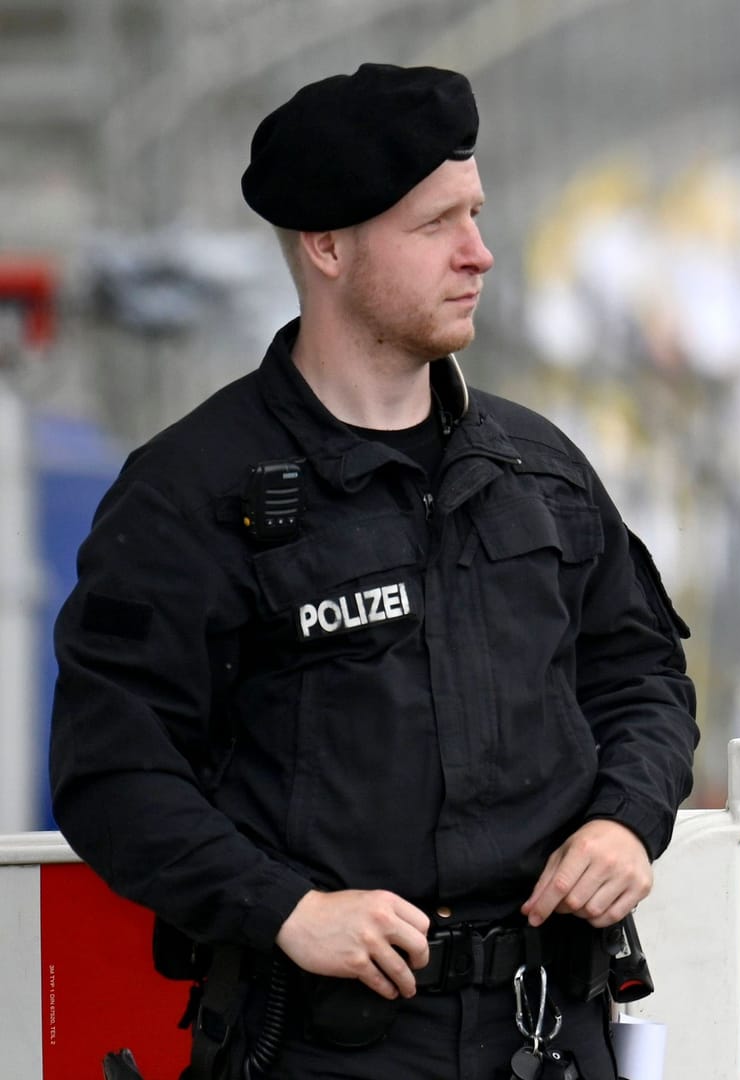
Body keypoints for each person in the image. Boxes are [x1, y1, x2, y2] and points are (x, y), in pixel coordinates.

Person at [48, 63, 698, 1079]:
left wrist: (627, 819)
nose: (479, 253)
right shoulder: (189, 495)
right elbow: (113, 773)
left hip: (549, 1035)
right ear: (328, 246)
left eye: (476, 215)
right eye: (436, 224)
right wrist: (290, 910)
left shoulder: (538, 466)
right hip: (320, 1044)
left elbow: (641, 677)